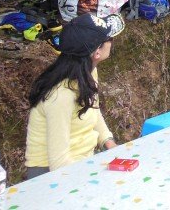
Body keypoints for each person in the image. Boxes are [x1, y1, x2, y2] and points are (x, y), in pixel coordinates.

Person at [24, 13, 124, 179]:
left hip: (83, 162)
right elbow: (59, 163)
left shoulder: (88, 71)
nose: (112, 42)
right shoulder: (60, 96)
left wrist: (109, 143)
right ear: (97, 52)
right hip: (49, 175)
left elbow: (92, 109)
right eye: (109, 38)